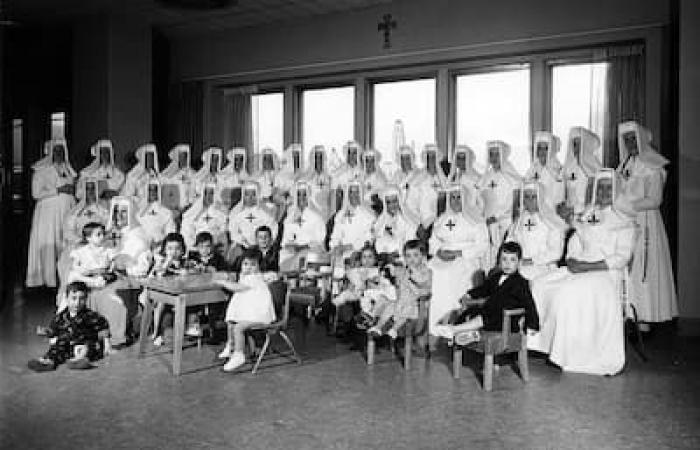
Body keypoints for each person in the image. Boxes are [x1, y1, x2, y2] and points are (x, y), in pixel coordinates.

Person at [529, 169, 635, 376]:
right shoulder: (588, 214)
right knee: (540, 284)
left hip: (604, 272)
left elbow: (622, 257)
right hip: (580, 267)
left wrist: (589, 267)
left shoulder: (624, 220)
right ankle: (545, 344)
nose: (604, 191)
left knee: (567, 293)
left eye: (609, 188)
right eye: (601, 187)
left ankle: (569, 353)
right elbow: (576, 241)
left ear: (616, 191)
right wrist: (571, 259)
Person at [616, 121, 678, 325]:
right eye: (626, 139)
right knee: (626, 266)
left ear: (641, 139)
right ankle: (628, 315)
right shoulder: (624, 165)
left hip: (645, 221)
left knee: (644, 268)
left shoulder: (653, 165)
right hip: (625, 221)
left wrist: (625, 205)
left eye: (633, 138)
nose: (630, 143)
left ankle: (645, 318)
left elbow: (654, 199)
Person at [432, 241, 540, 346]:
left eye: (512, 260)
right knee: (472, 311)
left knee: (486, 316)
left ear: (519, 263)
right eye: (504, 259)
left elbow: (529, 304)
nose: (507, 263)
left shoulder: (521, 283)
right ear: (499, 261)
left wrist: (532, 325)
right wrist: (470, 294)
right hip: (490, 313)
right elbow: (484, 289)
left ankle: (453, 330)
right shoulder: (496, 278)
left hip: (506, 322)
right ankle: (468, 334)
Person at [428, 183, 489, 348]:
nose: (455, 201)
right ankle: (431, 326)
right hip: (442, 256)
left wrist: (459, 254)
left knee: (448, 276)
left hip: (466, 258)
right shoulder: (442, 220)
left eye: (459, 198)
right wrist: (438, 251)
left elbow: (482, 245)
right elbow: (433, 241)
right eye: (452, 198)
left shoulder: (476, 221)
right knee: (430, 272)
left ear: (465, 199)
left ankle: (449, 322)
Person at [28, 281, 113, 372]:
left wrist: (107, 345)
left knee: (87, 348)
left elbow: (103, 327)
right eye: (74, 298)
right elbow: (54, 331)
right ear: (66, 298)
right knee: (57, 347)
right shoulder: (60, 317)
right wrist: (46, 332)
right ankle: (48, 361)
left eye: (82, 299)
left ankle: (79, 360)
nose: (77, 303)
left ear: (86, 299)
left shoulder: (90, 316)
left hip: (82, 343)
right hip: (66, 344)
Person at [101, 196, 152, 345]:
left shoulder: (137, 236)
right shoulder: (119, 232)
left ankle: (117, 335)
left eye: (124, 212)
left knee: (105, 295)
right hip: (118, 276)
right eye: (116, 212)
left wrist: (115, 260)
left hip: (133, 281)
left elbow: (129, 266)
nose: (119, 216)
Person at [27, 138, 77, 288]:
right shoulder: (41, 170)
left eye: (62, 150)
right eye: (56, 150)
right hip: (48, 215)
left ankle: (64, 278)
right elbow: (36, 193)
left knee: (65, 242)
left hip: (66, 212)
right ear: (50, 152)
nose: (59, 154)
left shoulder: (69, 169)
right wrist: (58, 190)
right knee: (50, 243)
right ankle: (48, 279)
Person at [216, 248, 276, 372]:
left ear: (259, 266)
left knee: (238, 327)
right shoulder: (248, 276)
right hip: (253, 314)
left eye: (253, 265)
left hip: (260, 316)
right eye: (245, 264)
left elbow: (237, 288)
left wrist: (223, 282)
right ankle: (231, 347)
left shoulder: (254, 277)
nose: (248, 267)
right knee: (231, 323)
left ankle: (239, 354)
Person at [368, 239, 432, 341]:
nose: (411, 259)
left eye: (415, 255)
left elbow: (420, 281)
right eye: (408, 256)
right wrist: (390, 270)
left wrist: (411, 271)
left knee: (406, 312)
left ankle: (394, 329)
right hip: (400, 302)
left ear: (423, 257)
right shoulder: (405, 270)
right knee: (389, 306)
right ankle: (378, 327)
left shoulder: (426, 272)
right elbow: (397, 275)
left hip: (416, 306)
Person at [505, 181, 566, 281]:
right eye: (527, 197)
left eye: (533, 197)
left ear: (540, 198)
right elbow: (509, 242)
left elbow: (556, 252)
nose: (529, 200)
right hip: (519, 266)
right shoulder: (519, 220)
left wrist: (531, 261)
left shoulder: (551, 222)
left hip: (544, 268)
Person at [477, 140, 521, 267]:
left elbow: (514, 205)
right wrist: (485, 218)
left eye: (497, 154)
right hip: (487, 222)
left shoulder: (512, 178)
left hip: (504, 222)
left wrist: (497, 218)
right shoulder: (485, 177)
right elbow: (480, 201)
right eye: (491, 154)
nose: (494, 158)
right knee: (486, 257)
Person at [58, 178, 109, 287]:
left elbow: (109, 228)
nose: (90, 191)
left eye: (92, 188)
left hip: (100, 244)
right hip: (79, 244)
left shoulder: (104, 211)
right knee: (68, 262)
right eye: (88, 189)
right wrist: (81, 241)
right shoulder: (75, 212)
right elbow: (68, 231)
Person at [148, 233, 189, 345]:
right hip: (161, 293)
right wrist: (167, 262)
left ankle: (188, 327)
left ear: (182, 250)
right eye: (170, 248)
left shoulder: (185, 263)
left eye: (177, 248)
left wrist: (184, 272)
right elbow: (158, 275)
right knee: (161, 304)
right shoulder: (161, 262)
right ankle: (156, 331)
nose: (173, 251)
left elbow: (189, 276)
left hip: (179, 293)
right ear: (165, 250)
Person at [279, 180, 327, 272]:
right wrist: (292, 246)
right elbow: (285, 241)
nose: (301, 198)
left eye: (304, 195)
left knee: (303, 256)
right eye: (298, 195)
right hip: (292, 253)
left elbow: (319, 242)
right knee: (284, 255)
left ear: (309, 196)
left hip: (311, 252)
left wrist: (303, 248)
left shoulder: (317, 218)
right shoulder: (289, 219)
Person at [227, 181, 278, 262]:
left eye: (253, 195)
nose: (250, 198)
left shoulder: (265, 212)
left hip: (262, 245)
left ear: (257, 196)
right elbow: (233, 232)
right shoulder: (236, 212)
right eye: (247, 195)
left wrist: (263, 243)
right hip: (242, 245)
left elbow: (273, 229)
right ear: (243, 196)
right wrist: (242, 241)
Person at [406, 144, 449, 239]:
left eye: (434, 157)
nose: (432, 160)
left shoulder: (444, 180)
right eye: (429, 157)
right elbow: (410, 205)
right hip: (423, 225)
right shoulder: (416, 180)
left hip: (443, 224)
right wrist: (419, 224)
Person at [328, 181, 376, 264]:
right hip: (340, 254)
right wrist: (335, 247)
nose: (354, 195)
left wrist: (349, 247)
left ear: (360, 193)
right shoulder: (340, 215)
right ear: (348, 194)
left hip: (359, 255)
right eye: (351, 192)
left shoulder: (369, 215)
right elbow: (335, 235)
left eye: (356, 192)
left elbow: (368, 239)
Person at [561, 127, 602, 221]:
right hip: (570, 215)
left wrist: (574, 210)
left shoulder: (596, 168)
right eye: (575, 144)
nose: (577, 148)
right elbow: (567, 193)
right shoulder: (569, 166)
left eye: (581, 144)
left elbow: (595, 199)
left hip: (588, 216)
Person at [371, 185, 419, 263]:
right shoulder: (380, 221)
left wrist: (398, 254)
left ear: (399, 201)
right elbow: (378, 242)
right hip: (385, 260)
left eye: (394, 201)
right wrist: (385, 256)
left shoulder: (408, 220)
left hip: (406, 259)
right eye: (389, 202)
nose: (392, 205)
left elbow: (410, 243)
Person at [180, 182, 229, 251]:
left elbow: (223, 233)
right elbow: (186, 233)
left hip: (216, 249)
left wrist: (212, 245)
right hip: (196, 249)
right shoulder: (192, 213)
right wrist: (198, 248)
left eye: (211, 193)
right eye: (206, 193)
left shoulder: (222, 214)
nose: (208, 196)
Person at [525, 132, 564, 212]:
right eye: (540, 148)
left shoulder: (558, 170)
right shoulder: (532, 168)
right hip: (533, 211)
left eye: (546, 148)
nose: (542, 152)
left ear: (551, 150)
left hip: (551, 211)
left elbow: (559, 198)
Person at [76, 139, 125, 204]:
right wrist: (98, 192)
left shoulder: (119, 174)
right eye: (102, 152)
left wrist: (115, 194)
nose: (104, 155)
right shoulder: (87, 173)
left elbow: (125, 192)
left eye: (107, 152)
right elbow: (78, 194)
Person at [136, 179, 177, 249]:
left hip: (160, 246)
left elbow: (170, 234)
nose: (152, 193)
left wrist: (160, 243)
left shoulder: (166, 212)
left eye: (155, 190)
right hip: (140, 247)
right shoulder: (138, 211)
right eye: (150, 190)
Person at [160, 144, 197, 212]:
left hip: (190, 209)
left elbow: (195, 192)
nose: (183, 160)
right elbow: (165, 195)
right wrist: (176, 209)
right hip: (173, 209)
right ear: (176, 158)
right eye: (181, 157)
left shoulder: (193, 173)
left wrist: (190, 206)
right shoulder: (167, 175)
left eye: (185, 156)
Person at [448, 145, 483, 213]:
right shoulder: (455, 176)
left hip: (471, 214)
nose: (461, 161)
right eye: (458, 158)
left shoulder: (476, 178)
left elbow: (480, 202)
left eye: (464, 158)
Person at [304, 145, 333, 221]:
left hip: (325, 214)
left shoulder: (329, 178)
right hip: (310, 214)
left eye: (321, 158)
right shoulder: (306, 178)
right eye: (316, 157)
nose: (319, 160)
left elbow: (331, 199)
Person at [218, 147, 250, 211]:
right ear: (232, 160)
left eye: (241, 159)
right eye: (236, 159)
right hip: (227, 204)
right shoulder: (223, 174)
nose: (238, 162)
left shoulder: (246, 175)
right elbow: (220, 192)